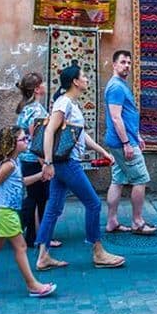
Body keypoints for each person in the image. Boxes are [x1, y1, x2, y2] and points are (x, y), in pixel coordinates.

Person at [35, 65, 125, 271]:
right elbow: (49, 131)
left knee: (53, 209)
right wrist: (47, 162)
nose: (86, 79)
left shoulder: (69, 104)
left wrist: (101, 150)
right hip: (66, 164)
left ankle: (43, 256)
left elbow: (79, 134)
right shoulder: (64, 103)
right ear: (75, 81)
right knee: (93, 203)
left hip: (62, 163)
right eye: (83, 76)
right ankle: (98, 252)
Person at [0, 126, 57, 297]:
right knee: (21, 247)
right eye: (23, 139)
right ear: (12, 144)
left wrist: (40, 176)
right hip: (5, 212)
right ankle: (33, 285)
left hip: (3, 211)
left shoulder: (14, 163)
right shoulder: (8, 165)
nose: (26, 142)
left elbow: (20, 182)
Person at [103, 50, 157, 235]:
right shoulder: (117, 87)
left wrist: (137, 135)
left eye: (129, 62)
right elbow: (116, 118)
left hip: (123, 139)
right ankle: (137, 222)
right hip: (122, 142)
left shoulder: (119, 85)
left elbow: (127, 115)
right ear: (114, 64)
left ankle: (112, 222)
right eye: (123, 62)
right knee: (140, 179)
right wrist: (127, 143)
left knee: (117, 180)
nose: (127, 65)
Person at [15, 72, 62, 249]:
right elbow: (37, 138)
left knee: (35, 197)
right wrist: (45, 162)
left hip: (27, 158)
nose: (44, 86)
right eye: (41, 84)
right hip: (35, 159)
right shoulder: (35, 110)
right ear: (36, 89)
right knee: (39, 198)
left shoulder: (25, 108)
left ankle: (34, 234)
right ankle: (39, 236)